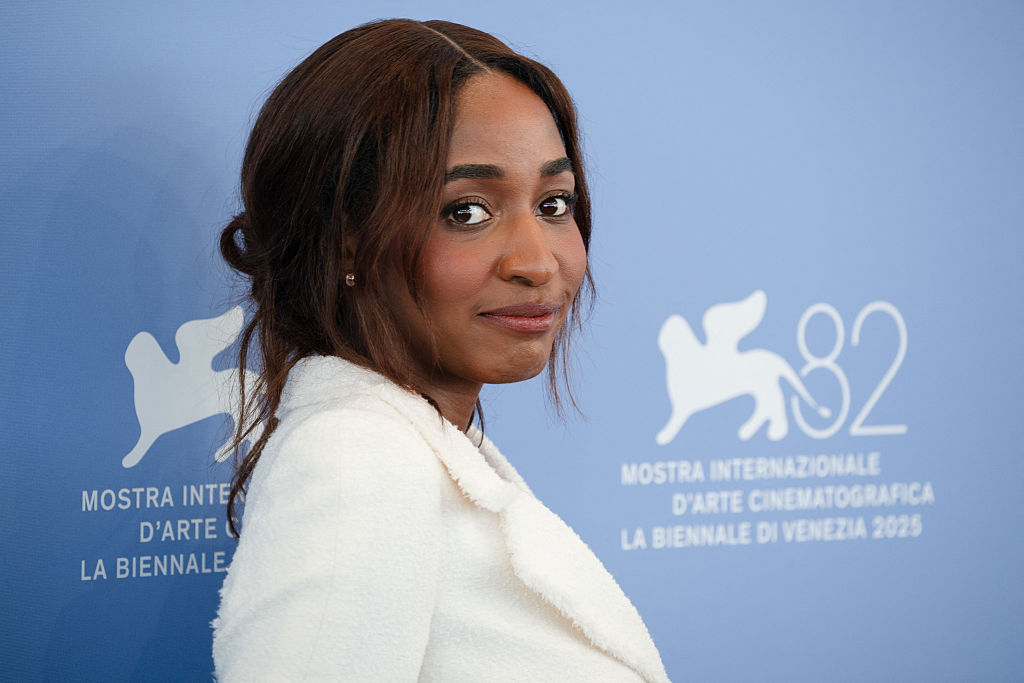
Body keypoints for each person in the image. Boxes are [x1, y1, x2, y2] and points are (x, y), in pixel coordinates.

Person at [212, 18, 669, 682]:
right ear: (344, 240)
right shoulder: (354, 459)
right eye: (467, 212)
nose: (537, 262)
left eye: (554, 203)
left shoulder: (423, 452)